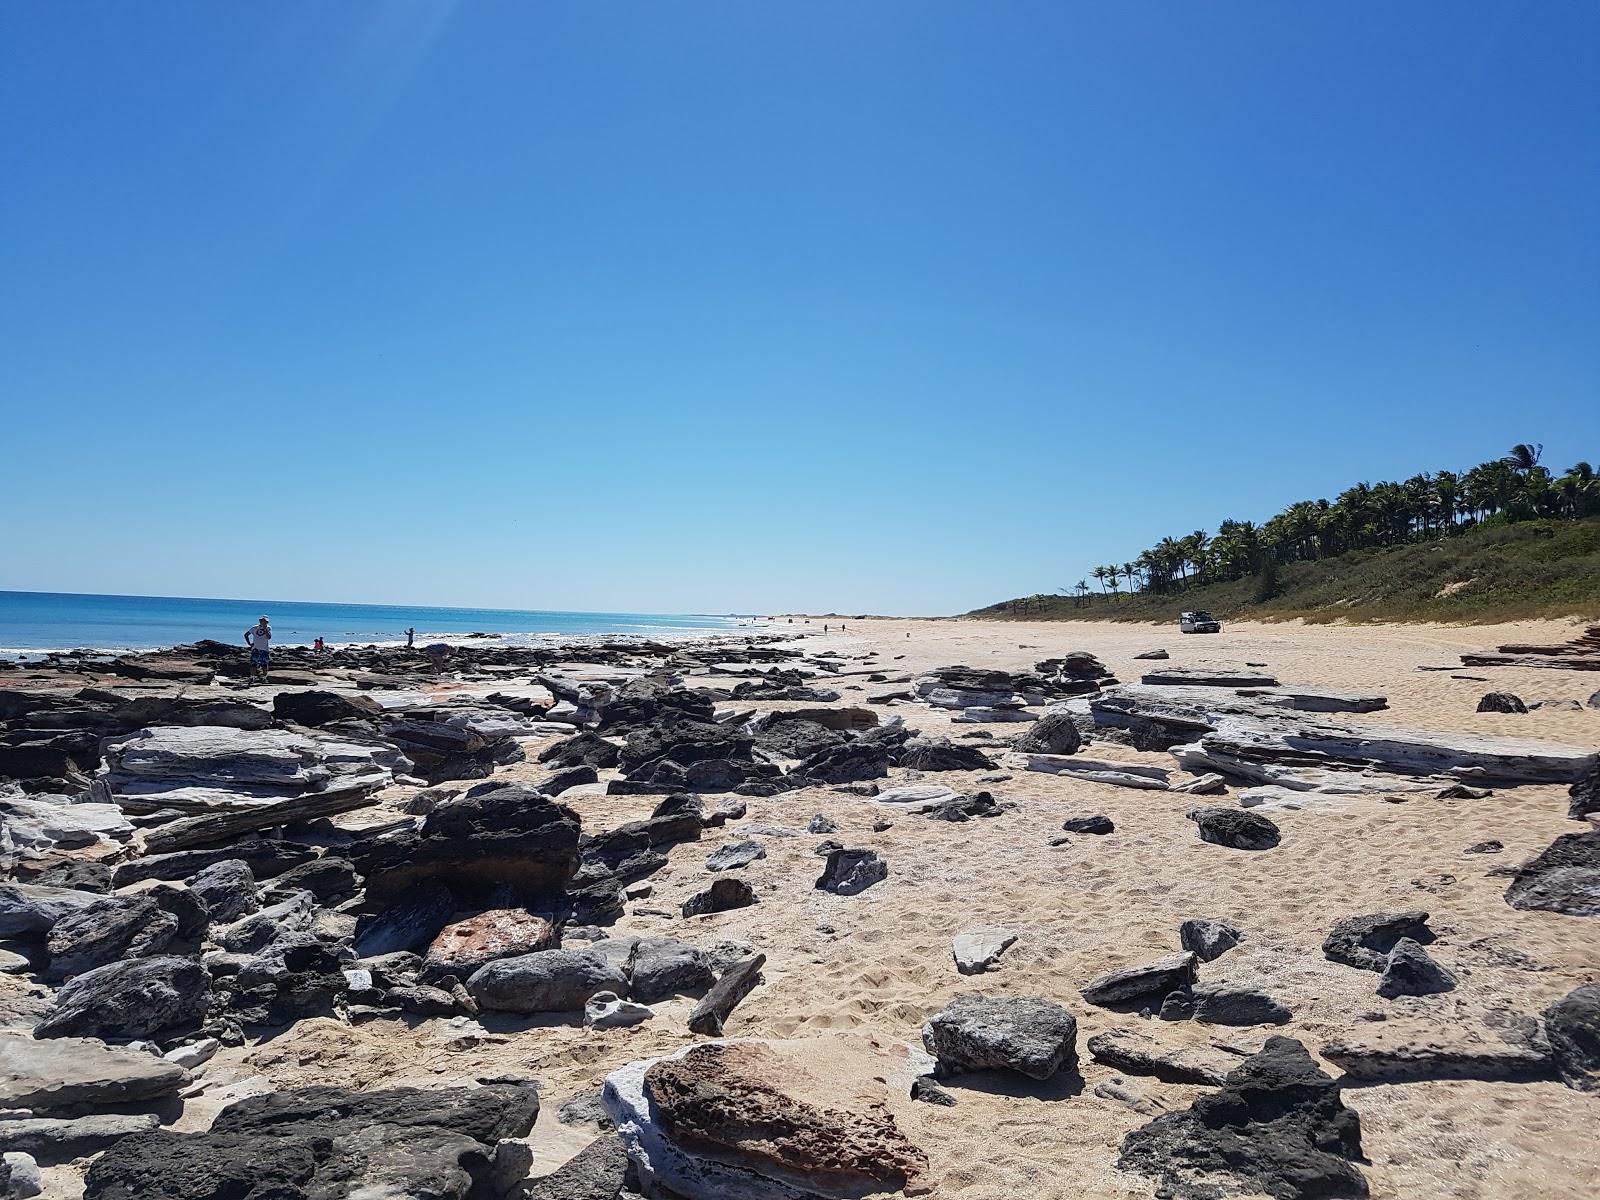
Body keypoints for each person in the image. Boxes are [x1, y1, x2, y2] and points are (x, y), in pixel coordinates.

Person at [244, 616, 272, 684]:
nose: (263, 622)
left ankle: (264, 678)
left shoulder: (268, 628)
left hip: (264, 649)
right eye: (262, 620)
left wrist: (265, 629)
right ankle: (252, 677)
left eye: (264, 621)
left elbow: (269, 637)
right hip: (255, 649)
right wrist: (249, 643)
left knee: (264, 665)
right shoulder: (254, 628)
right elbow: (246, 634)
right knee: (253, 664)